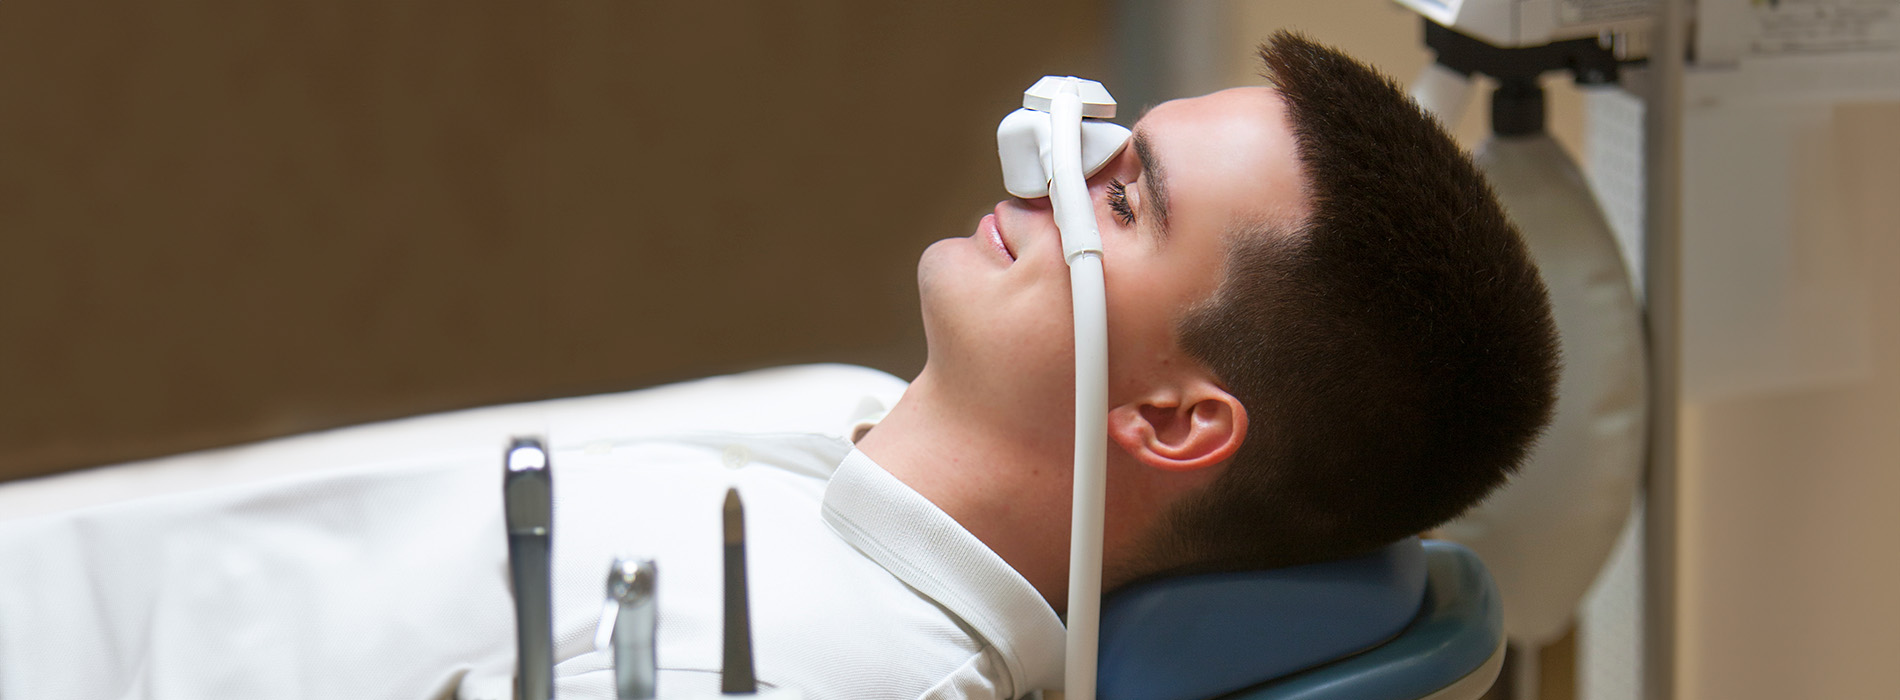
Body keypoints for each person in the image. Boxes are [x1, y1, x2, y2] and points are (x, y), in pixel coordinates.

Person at [0, 32, 1555, 700]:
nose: (1045, 172)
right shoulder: (846, 439)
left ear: (1175, 416)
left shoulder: (834, 672)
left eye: (1123, 196)